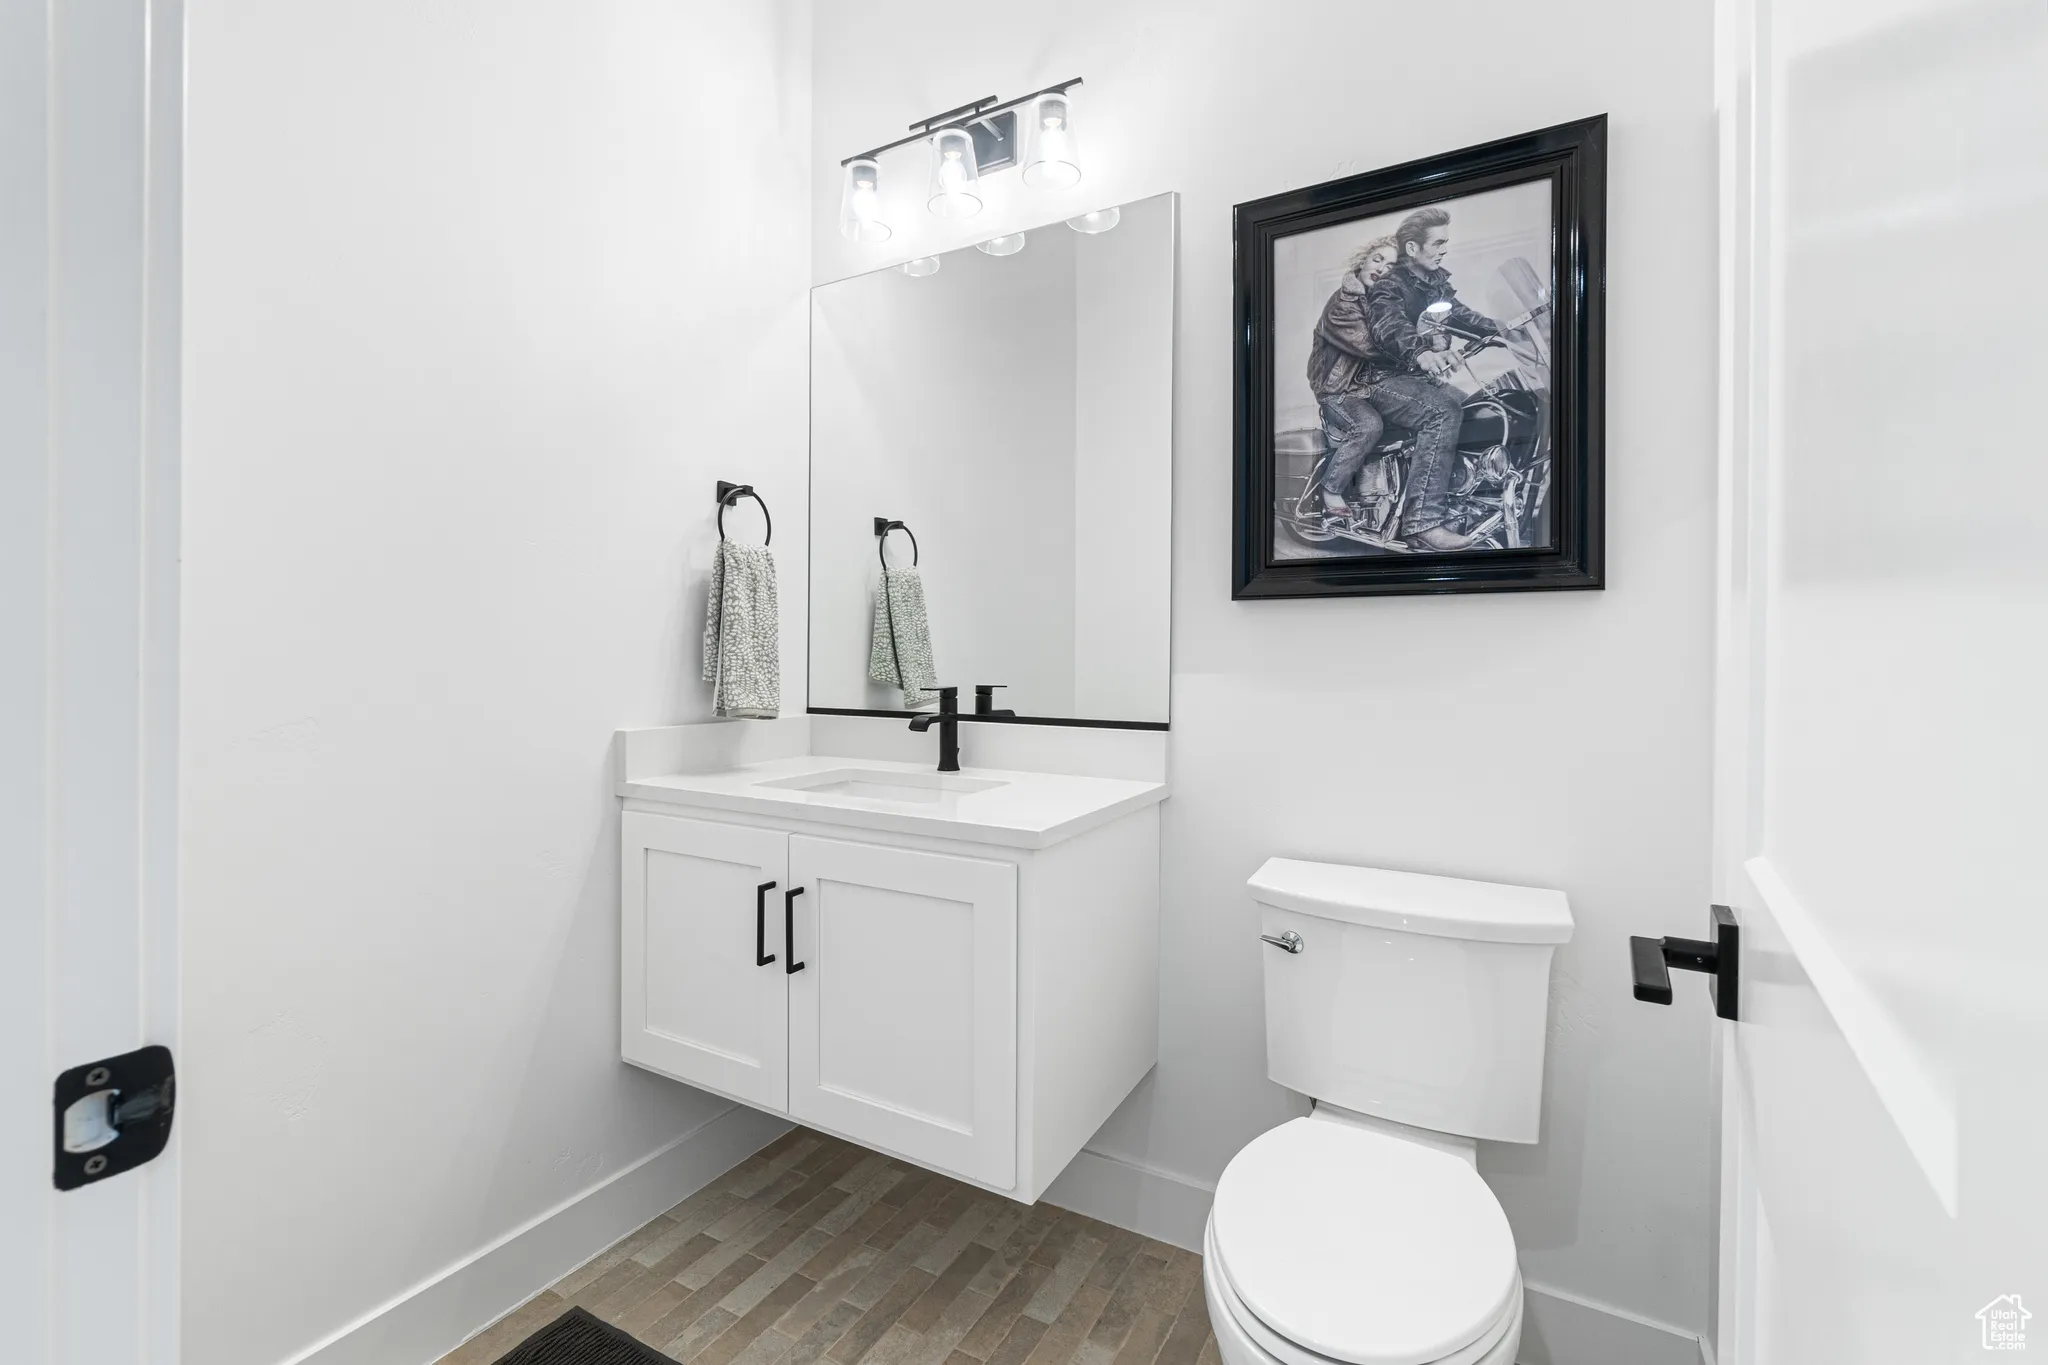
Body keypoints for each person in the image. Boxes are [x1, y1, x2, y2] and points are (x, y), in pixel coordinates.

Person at [1364, 206, 1504, 551]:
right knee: (1442, 410)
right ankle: (1422, 523)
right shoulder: (1389, 285)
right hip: (1381, 379)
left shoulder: (1433, 281)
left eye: (1446, 242)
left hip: (1414, 379)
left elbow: (1460, 314)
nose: (1444, 249)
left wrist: (1507, 329)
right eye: (1438, 243)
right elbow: (1389, 326)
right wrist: (1420, 352)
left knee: (1474, 406)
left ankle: (1465, 500)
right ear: (1412, 249)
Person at [1304, 236, 1398, 522]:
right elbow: (1371, 346)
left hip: (1366, 387)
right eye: (1377, 259)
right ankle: (1331, 487)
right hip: (1339, 390)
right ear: (1364, 261)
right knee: (1368, 426)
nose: (1382, 268)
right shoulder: (1343, 304)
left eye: (1391, 266)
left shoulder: (1379, 301)